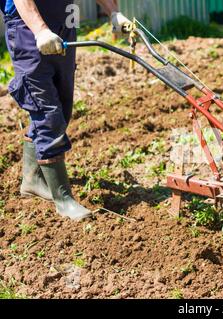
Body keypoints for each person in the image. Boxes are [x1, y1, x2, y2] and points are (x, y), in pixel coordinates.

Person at [0, 0, 132, 220]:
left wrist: (113, 13)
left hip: (65, 26)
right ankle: (63, 199)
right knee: (47, 113)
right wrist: (41, 31)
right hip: (28, 30)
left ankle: (32, 180)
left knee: (62, 109)